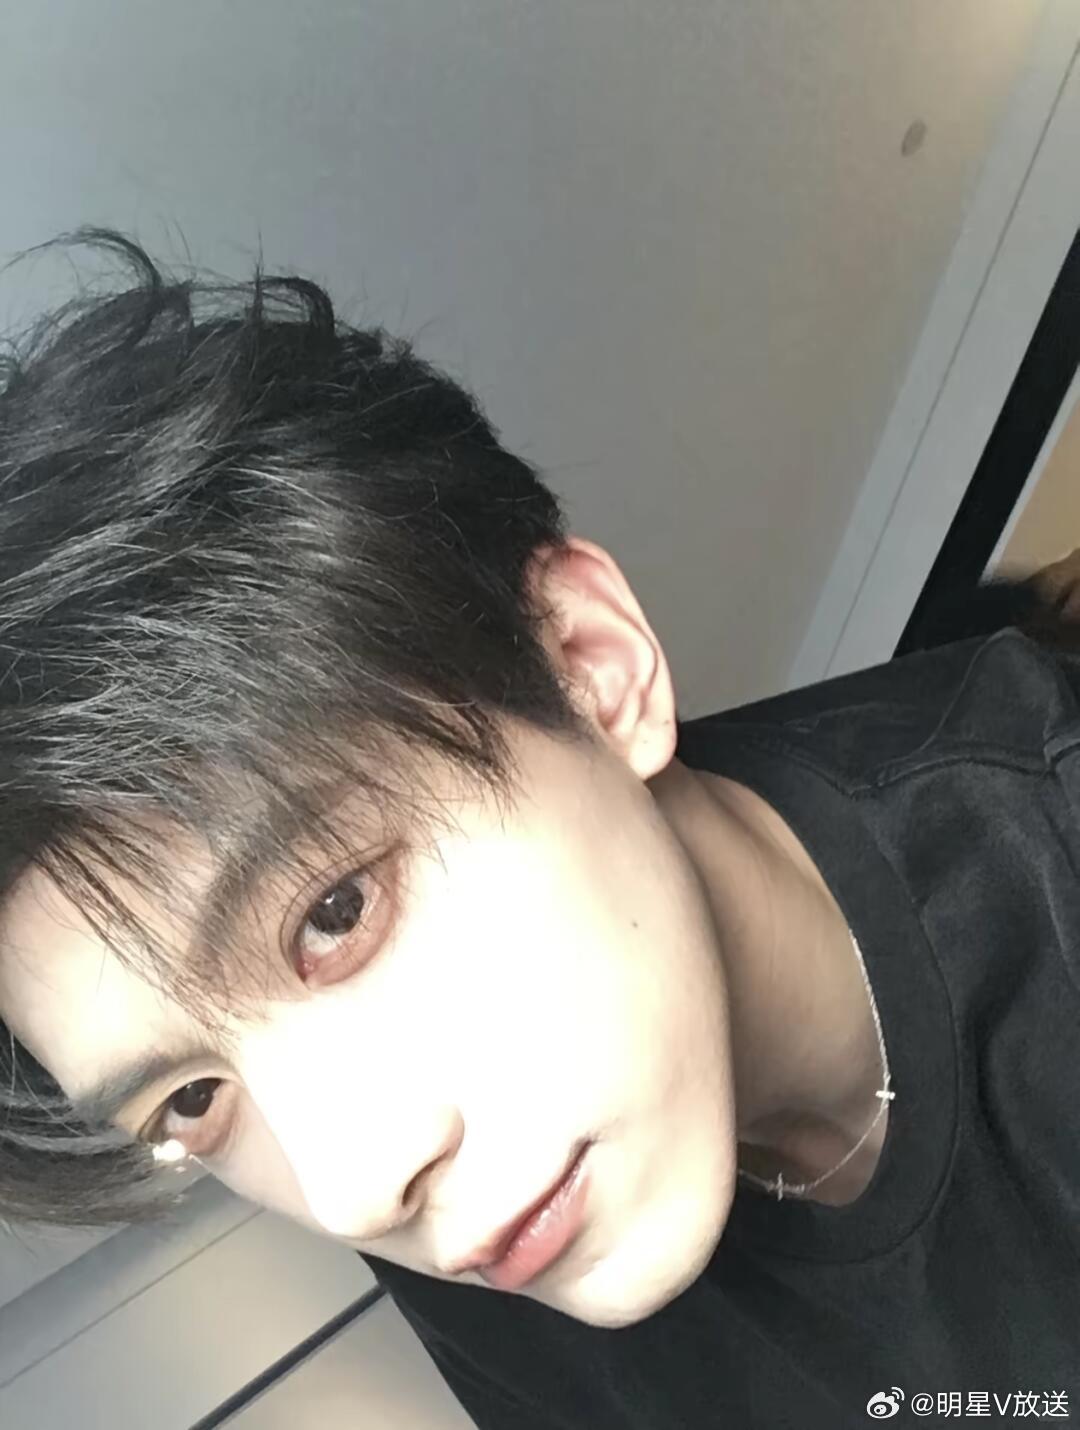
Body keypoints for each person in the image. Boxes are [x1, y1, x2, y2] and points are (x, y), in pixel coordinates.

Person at [0, 230, 1076, 1430]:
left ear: (592, 666)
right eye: (191, 1099)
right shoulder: (501, 1203)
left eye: (335, 910)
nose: (356, 1190)